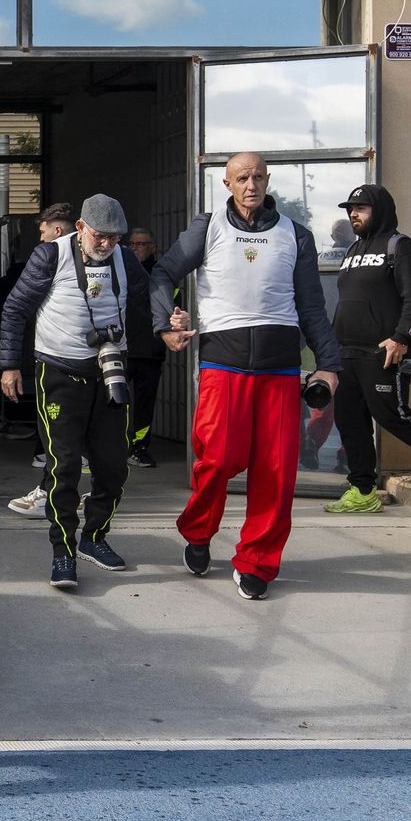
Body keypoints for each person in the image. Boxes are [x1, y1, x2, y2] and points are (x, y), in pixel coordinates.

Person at [152, 152, 340, 601]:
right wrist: (165, 324)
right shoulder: (209, 226)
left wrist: (329, 365)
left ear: (267, 180)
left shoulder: (295, 235)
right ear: (227, 183)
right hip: (223, 363)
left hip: (279, 368)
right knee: (217, 459)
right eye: (242, 178)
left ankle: (256, 562)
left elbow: (312, 307)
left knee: (275, 474)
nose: (250, 184)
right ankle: (199, 532)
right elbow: (162, 272)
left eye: (257, 176)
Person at [0, 195, 149, 589]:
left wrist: (169, 323)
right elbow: (14, 309)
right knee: (62, 469)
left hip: (109, 372)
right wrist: (9, 365)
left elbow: (148, 300)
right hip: (59, 373)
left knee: (114, 467)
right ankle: (62, 552)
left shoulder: (125, 260)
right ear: (79, 228)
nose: (107, 246)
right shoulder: (50, 256)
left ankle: (94, 538)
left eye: (115, 239)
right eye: (100, 237)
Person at [327, 184, 411, 514]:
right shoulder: (353, 250)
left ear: (378, 210)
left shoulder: (401, 247)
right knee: (349, 421)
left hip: (383, 352)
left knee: (393, 416)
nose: (353, 213)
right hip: (346, 353)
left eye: (361, 208)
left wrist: (401, 337)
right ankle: (363, 491)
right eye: (350, 208)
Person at [7, 202, 77, 517]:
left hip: (60, 363)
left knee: (57, 434)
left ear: (58, 230)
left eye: (43, 229)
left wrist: (10, 365)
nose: (41, 236)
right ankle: (63, 493)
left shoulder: (51, 255)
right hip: (88, 362)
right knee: (67, 436)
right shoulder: (110, 256)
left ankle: (52, 495)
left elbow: (15, 307)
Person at [0, 226, 37, 443]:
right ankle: (7, 421)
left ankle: (2, 420)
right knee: (12, 385)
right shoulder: (19, 290)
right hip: (7, 344)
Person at [123, 227, 165, 469]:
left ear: (153, 247)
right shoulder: (118, 270)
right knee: (112, 402)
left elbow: (172, 309)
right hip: (123, 350)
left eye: (141, 243)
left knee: (145, 405)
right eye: (132, 244)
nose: (136, 247)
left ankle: (139, 447)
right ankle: (110, 446)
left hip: (150, 352)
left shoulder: (161, 276)